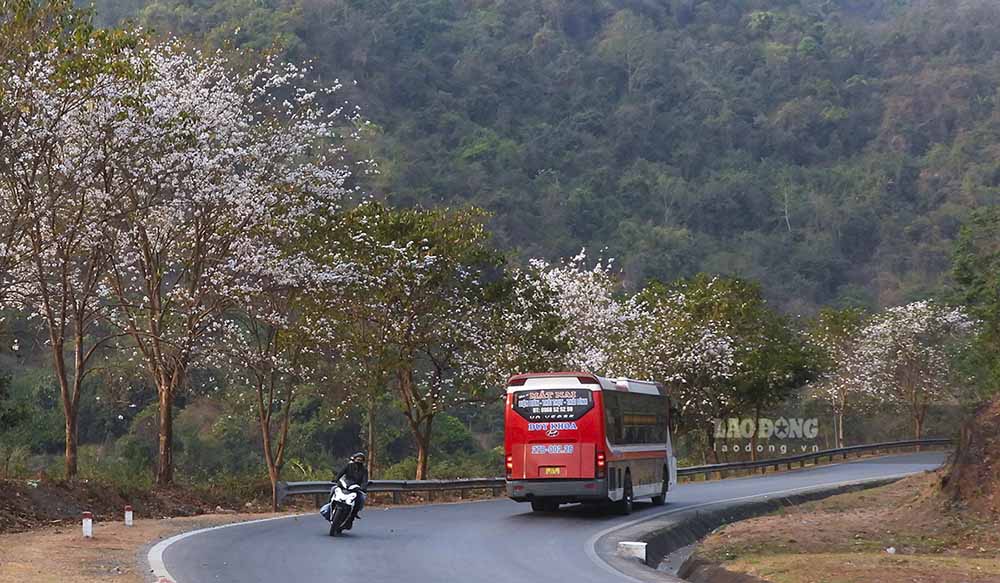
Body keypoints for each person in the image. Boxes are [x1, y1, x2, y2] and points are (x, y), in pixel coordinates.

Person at [333, 452, 369, 529]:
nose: (359, 461)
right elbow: (341, 472)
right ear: (354, 459)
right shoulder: (349, 466)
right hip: (345, 485)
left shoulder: (364, 470)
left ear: (363, 461)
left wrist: (363, 487)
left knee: (362, 498)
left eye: (361, 460)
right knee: (333, 489)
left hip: (356, 488)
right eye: (357, 459)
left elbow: (365, 480)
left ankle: (353, 515)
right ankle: (330, 505)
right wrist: (336, 479)